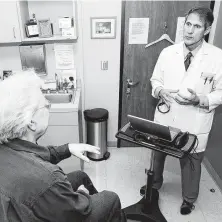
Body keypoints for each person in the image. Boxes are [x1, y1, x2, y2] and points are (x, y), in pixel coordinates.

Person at [0, 70, 126, 222]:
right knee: (111, 198)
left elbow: (34, 156)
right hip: (32, 205)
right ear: (31, 123)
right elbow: (45, 179)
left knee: (81, 176)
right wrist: (80, 200)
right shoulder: (49, 178)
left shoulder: (9, 146)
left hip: (22, 202)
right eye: (45, 105)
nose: (48, 106)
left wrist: (68, 148)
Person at [141, 7, 222, 215]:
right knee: (157, 156)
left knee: (191, 164)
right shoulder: (168, 52)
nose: (189, 30)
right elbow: (155, 79)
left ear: (206, 30)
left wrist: (200, 99)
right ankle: (154, 184)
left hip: (195, 120)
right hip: (167, 116)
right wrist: (160, 90)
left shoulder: (217, 57)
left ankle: (189, 199)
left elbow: (220, 92)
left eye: (196, 26)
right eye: (188, 24)